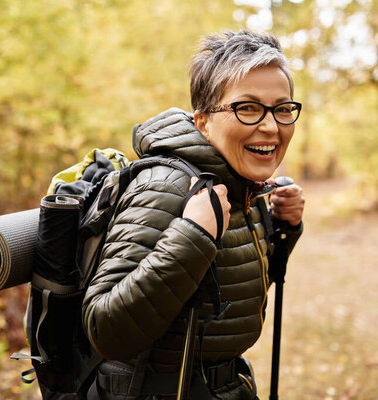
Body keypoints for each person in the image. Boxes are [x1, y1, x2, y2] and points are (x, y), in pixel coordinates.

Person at [82, 29, 305, 400]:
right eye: (247, 107)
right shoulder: (166, 188)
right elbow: (105, 330)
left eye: (282, 109)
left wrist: (285, 228)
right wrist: (191, 236)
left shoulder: (239, 186)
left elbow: (232, 290)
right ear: (202, 121)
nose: (270, 125)